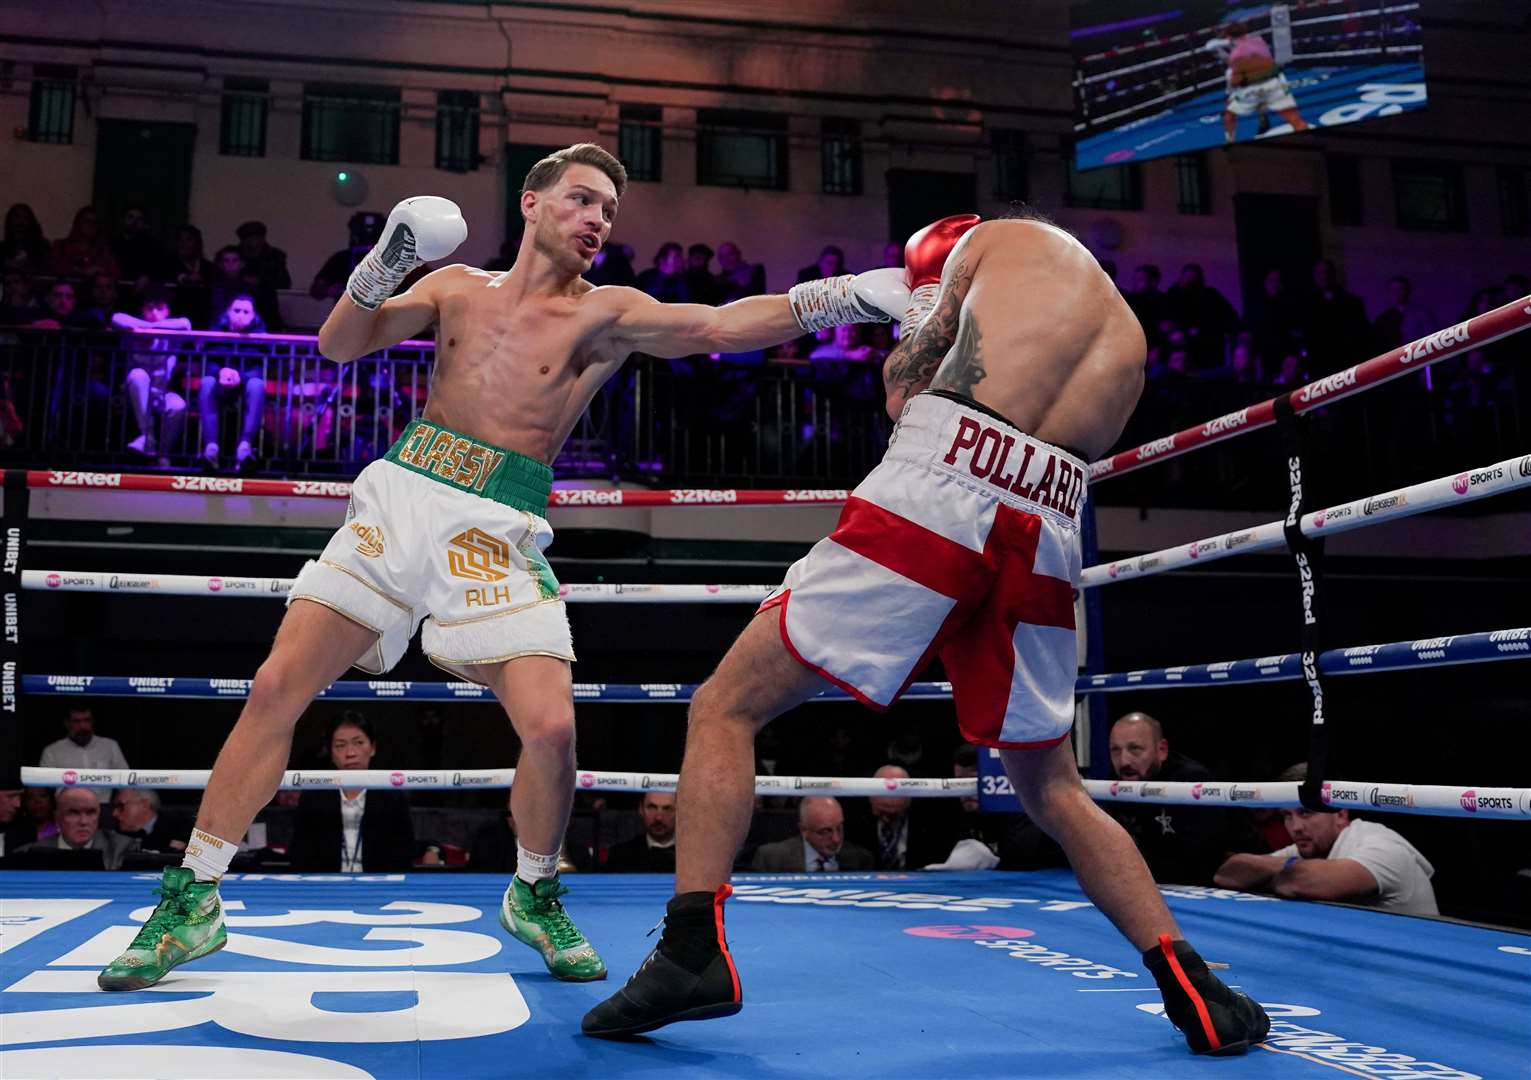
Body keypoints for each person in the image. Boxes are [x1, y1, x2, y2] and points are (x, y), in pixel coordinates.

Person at [98, 141, 909, 993]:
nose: (597, 219)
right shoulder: (453, 288)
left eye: (608, 210)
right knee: (276, 687)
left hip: (499, 523)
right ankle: (193, 898)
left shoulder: (607, 312)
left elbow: (716, 324)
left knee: (553, 728)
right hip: (404, 496)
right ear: (531, 202)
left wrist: (842, 297)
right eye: (582, 200)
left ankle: (534, 888)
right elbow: (342, 345)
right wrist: (384, 264)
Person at [586, 209, 1269, 1056]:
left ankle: (691, 952)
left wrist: (915, 312)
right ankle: (1192, 986)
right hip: (1050, 521)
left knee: (724, 706)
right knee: (1052, 784)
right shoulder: (1123, 334)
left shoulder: (982, 250)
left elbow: (909, 395)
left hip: (941, 483)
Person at [1214, 765, 1437, 916]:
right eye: (1286, 816)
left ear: (1340, 813)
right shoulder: (1309, 850)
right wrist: (1287, 867)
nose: (1296, 827)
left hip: (1425, 971)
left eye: (1306, 813)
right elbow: (1227, 873)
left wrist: (1280, 871)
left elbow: (1298, 881)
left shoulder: (1380, 845)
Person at [1105, 712, 1250, 887]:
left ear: (1162, 751)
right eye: (1115, 750)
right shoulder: (1112, 784)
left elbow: (1202, 864)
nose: (1124, 761)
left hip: (1232, 883)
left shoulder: (1191, 783)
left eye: (1135, 749)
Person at [290, 712, 415, 872]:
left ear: (373, 748)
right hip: (326, 888)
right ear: (331, 754)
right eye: (340, 745)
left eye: (358, 743)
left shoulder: (392, 796)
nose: (350, 753)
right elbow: (300, 855)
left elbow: (404, 855)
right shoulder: (314, 797)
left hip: (379, 888)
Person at [115, 289, 193, 465]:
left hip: (161, 394)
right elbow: (116, 318)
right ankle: (147, 436)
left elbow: (185, 323)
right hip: (132, 392)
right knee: (138, 375)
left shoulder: (172, 336)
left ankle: (163, 453)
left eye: (159, 309)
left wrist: (150, 329)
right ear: (142, 310)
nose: (154, 313)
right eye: (149, 308)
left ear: (167, 312)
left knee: (179, 405)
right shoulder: (132, 332)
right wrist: (143, 328)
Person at [1204, 19, 1309, 144]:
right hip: (1274, 83)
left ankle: (1230, 141)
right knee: (1294, 118)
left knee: (1229, 114)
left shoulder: (1236, 55)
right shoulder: (1259, 40)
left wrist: (1232, 86)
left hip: (1251, 89)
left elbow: (1236, 80)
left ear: (1228, 37)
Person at [199, 294, 268, 471]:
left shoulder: (260, 335)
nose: (240, 315)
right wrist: (219, 372)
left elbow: (261, 367)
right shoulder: (216, 330)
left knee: (257, 385)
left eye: (246, 312)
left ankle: (244, 448)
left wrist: (240, 377)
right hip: (219, 384)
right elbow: (209, 362)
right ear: (228, 312)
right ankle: (211, 449)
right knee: (206, 382)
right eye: (236, 310)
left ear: (253, 316)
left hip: (245, 386)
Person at [16, 787, 139, 869]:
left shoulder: (122, 849)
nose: (83, 822)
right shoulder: (31, 854)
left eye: (91, 812)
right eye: (73, 813)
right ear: (57, 817)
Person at [750, 797, 871, 872]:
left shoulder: (860, 859)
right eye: (825, 831)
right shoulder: (772, 859)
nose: (836, 839)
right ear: (803, 830)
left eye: (839, 828)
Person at [40, 707, 129, 804]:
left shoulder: (110, 746)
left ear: (92, 722)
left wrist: (115, 808)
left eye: (86, 720)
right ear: (67, 723)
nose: (82, 726)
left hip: (103, 808)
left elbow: (126, 781)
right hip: (66, 808)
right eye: (76, 721)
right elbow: (42, 789)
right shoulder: (52, 751)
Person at [604, 792, 677, 872]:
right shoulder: (618, 855)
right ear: (641, 809)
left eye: (667, 809)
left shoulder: (692, 855)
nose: (658, 817)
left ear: (679, 811)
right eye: (652, 807)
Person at [110, 788, 183, 853]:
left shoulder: (180, 830)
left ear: (145, 805)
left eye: (120, 806)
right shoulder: (113, 836)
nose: (114, 813)